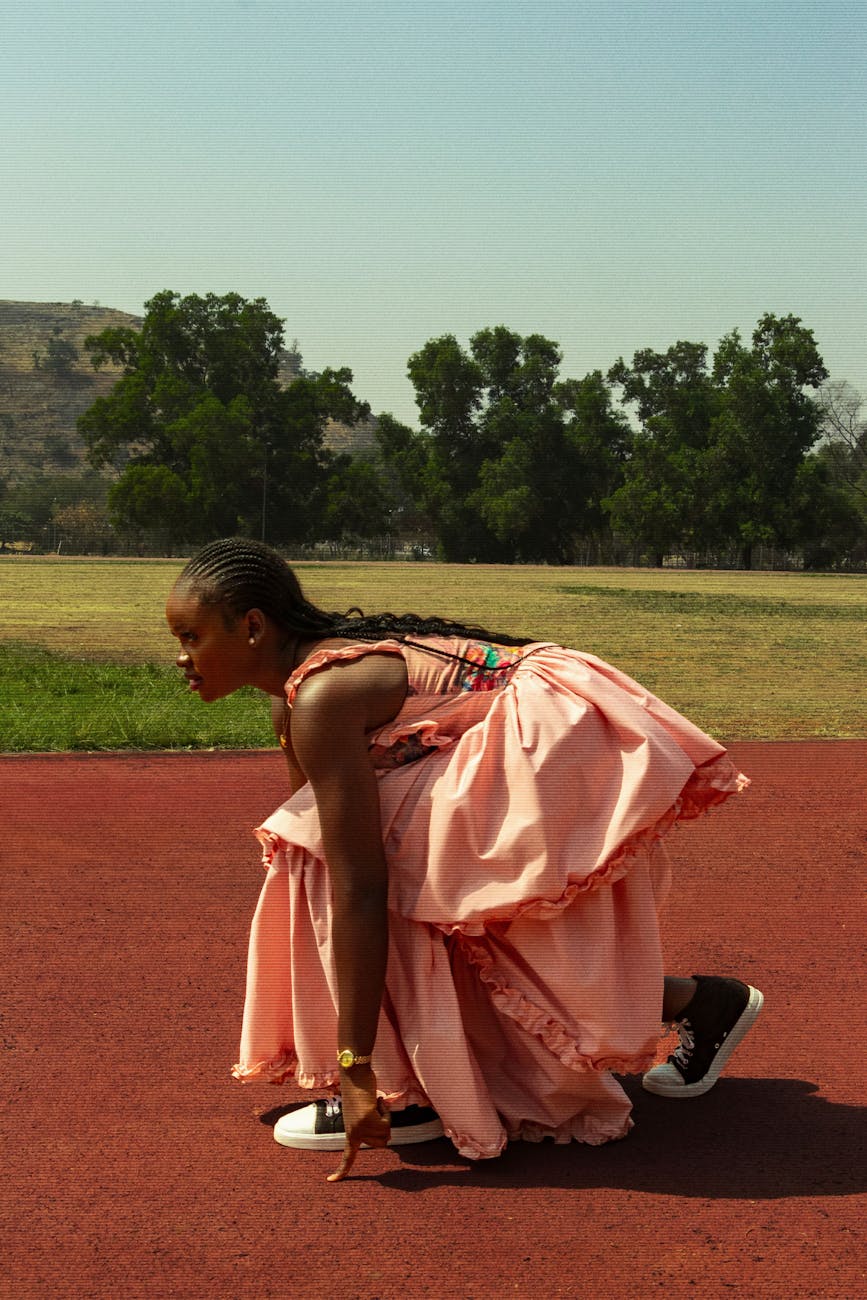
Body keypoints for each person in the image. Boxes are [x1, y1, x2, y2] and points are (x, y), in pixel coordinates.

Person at [165, 538, 763, 1182]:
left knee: (372, 878)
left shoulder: (322, 697)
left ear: (253, 627)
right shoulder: (297, 700)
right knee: (326, 856)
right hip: (514, 733)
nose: (181, 657)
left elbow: (358, 888)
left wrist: (355, 1068)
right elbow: (319, 833)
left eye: (191, 636)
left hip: (549, 737)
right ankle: (701, 1004)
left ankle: (403, 1089)